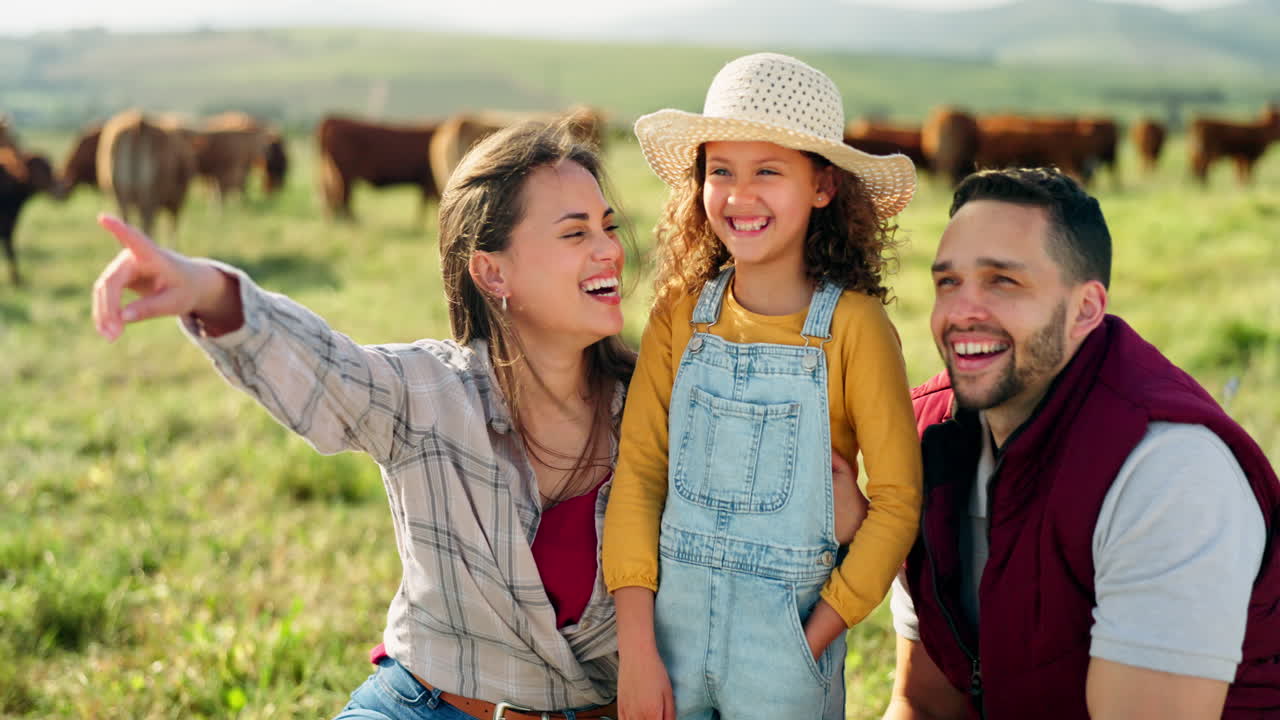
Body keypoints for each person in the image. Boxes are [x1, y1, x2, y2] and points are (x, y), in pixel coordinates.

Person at [91, 121, 633, 720]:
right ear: (492, 274)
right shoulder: (432, 393)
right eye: (574, 233)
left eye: (607, 226)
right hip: (426, 707)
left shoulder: (652, 408)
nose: (609, 248)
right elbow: (329, 374)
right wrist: (207, 292)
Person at [885, 167, 1280, 720]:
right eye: (948, 282)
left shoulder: (1167, 472)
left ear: (1087, 309)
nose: (961, 311)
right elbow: (922, 703)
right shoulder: (931, 439)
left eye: (1003, 281)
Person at [602, 52, 924, 720]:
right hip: (668, 648)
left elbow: (897, 505)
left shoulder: (857, 328)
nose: (739, 196)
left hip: (787, 660)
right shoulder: (678, 315)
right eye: (720, 171)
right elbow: (637, 475)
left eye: (767, 172)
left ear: (823, 187)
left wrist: (811, 639)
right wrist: (636, 648)